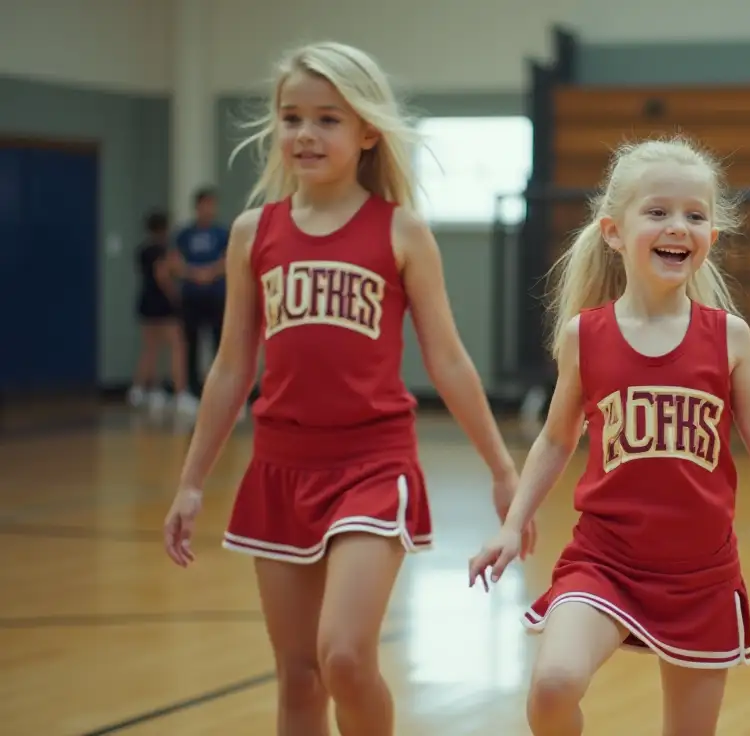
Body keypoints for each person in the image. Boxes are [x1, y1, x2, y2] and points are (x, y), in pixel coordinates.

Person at [160, 41, 534, 736]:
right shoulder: (253, 234)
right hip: (279, 467)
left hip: (372, 465)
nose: (306, 133)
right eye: (292, 117)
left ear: (366, 132)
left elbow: (448, 361)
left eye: (328, 119)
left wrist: (503, 468)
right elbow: (232, 368)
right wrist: (191, 481)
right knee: (298, 677)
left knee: (345, 657)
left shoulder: (401, 231)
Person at [468, 135, 750, 736]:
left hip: (700, 574)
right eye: (659, 212)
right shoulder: (584, 337)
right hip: (605, 560)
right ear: (614, 232)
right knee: (553, 686)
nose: (679, 226)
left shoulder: (729, 338)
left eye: (695, 216)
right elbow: (556, 441)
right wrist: (513, 526)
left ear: (711, 240)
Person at [173, 186, 229, 413]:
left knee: (220, 345)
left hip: (216, 296)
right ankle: (192, 392)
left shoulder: (222, 233)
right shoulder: (184, 234)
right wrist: (193, 273)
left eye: (212, 204)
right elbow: (174, 262)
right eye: (205, 204)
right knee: (191, 344)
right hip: (191, 297)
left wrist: (210, 272)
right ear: (197, 207)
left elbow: (228, 260)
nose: (209, 209)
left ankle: (222, 394)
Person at [128, 209, 188, 413]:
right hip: (162, 304)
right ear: (164, 228)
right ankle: (180, 394)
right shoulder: (162, 250)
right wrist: (175, 295)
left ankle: (139, 391)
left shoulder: (142, 250)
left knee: (150, 349)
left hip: (146, 301)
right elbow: (163, 275)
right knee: (177, 347)